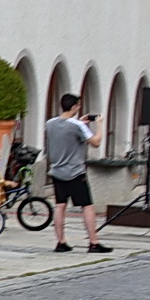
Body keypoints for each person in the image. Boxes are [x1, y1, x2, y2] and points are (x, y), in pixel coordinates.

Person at [45, 93, 111, 254]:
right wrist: (100, 125)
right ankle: (94, 242)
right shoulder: (78, 126)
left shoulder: (50, 123)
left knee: (60, 206)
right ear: (74, 106)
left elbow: (65, 135)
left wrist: (80, 123)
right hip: (75, 172)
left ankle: (61, 241)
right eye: (78, 105)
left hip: (56, 170)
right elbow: (96, 143)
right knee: (87, 206)